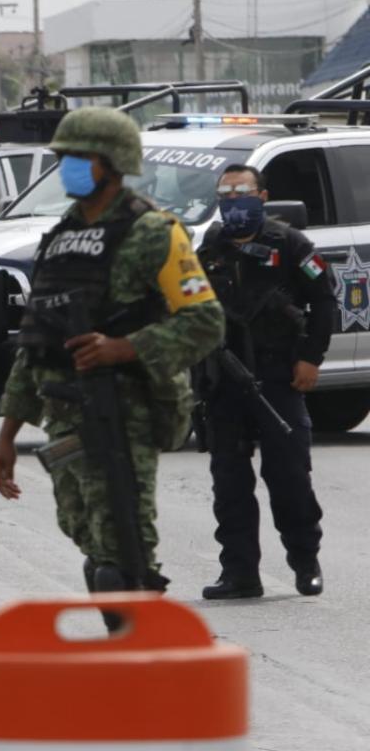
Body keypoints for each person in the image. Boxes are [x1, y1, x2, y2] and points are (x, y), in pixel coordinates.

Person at [0, 108, 225, 608]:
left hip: (124, 410)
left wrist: (124, 348)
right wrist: (7, 433)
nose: (68, 167)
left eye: (79, 157)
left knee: (123, 553)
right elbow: (37, 340)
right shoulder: (59, 238)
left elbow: (205, 321)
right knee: (88, 536)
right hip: (64, 413)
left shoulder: (155, 231)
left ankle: (139, 646)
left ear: (113, 162)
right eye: (64, 157)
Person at [194, 164, 333, 599]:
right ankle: (239, 573)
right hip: (224, 380)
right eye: (226, 193)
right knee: (229, 483)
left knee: (289, 476)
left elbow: (324, 301)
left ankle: (305, 562)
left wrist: (310, 359)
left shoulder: (289, 244)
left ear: (263, 196)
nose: (233, 200)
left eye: (242, 191)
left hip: (278, 377)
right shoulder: (210, 248)